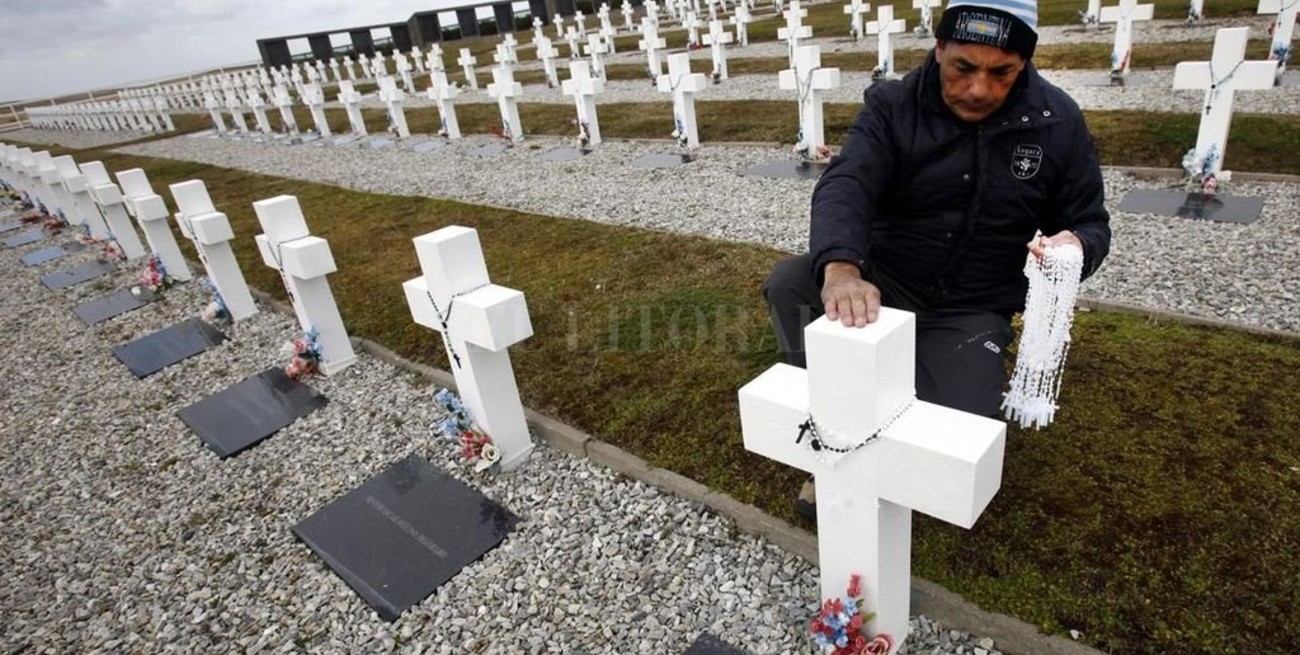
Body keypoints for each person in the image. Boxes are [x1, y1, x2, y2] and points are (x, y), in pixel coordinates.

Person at [763, 0, 1112, 519]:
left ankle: (871, 432)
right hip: (889, 281)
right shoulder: (893, 106)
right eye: (963, 68)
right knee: (793, 283)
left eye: (1002, 74)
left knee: (962, 425)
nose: (979, 90)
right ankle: (834, 440)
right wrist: (841, 267)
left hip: (972, 306)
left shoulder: (1056, 121)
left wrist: (1073, 248)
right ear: (939, 48)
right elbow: (848, 183)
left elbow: (1090, 221)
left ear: (1025, 64)